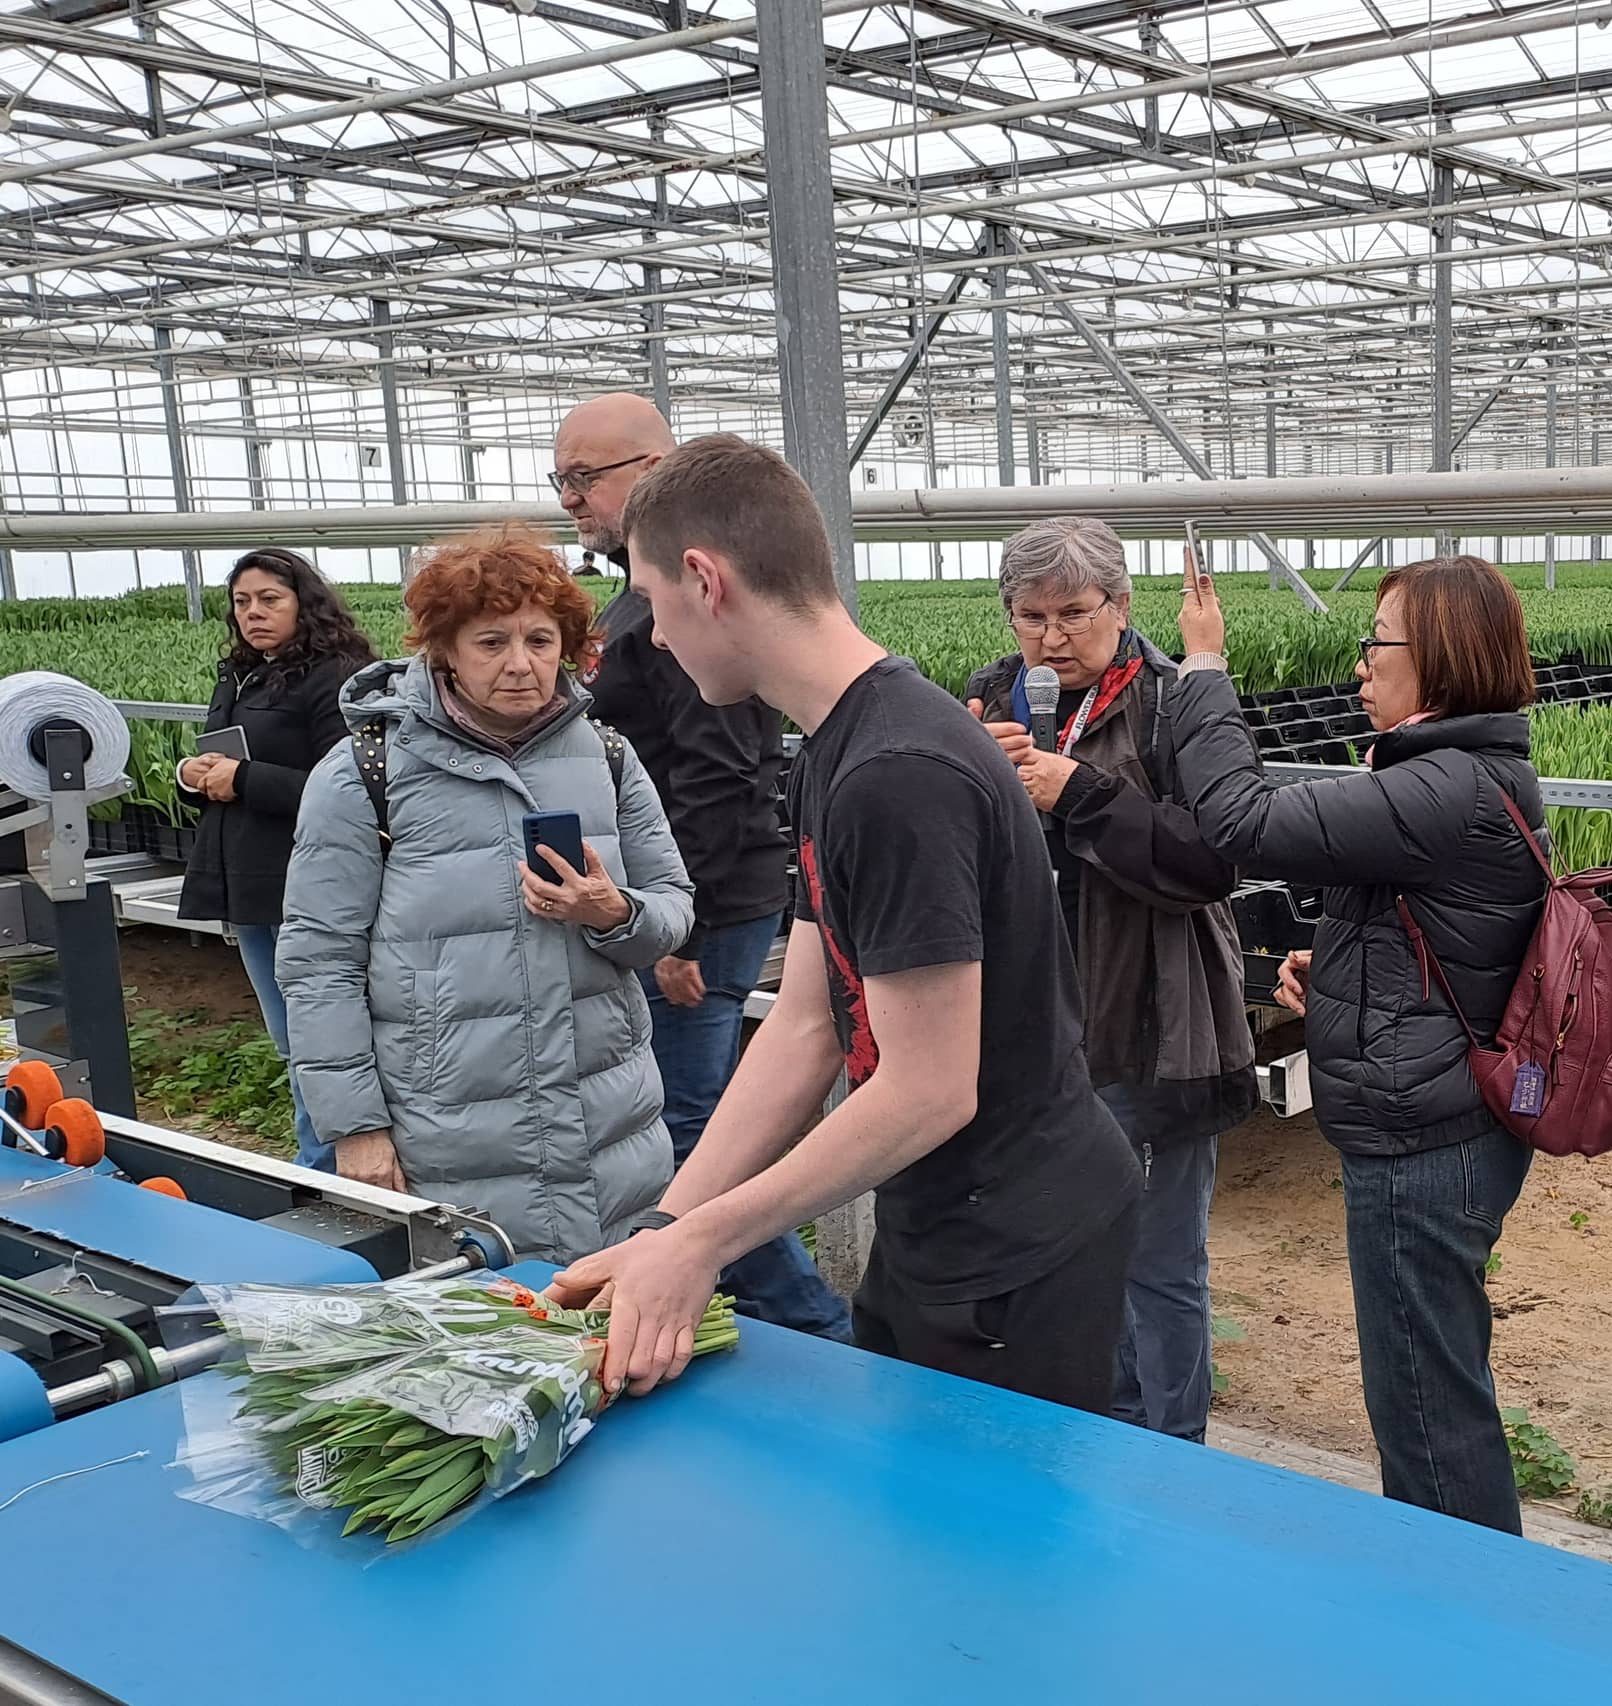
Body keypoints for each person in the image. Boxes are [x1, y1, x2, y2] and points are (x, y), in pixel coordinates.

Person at [545, 435, 1140, 1412]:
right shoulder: (837, 744)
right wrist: (663, 1226)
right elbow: (809, 1020)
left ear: (706, 579)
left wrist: (702, 1243)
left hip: (1016, 1241)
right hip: (940, 1212)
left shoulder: (898, 774)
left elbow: (927, 1088)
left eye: (651, 603)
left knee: (992, 1551)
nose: (649, 637)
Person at [1165, 553, 1546, 1533]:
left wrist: (1203, 669)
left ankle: (1470, 1620)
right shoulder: (1449, 775)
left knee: (1426, 1407)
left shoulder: (1444, 785)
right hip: (1440, 1121)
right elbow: (1425, 933)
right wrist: (1330, 969)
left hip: (1426, 1142)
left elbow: (1236, 819)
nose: (1361, 662)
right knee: (1428, 1390)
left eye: (1379, 640)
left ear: (1443, 660)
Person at [278, 529, 694, 1264]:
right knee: (483, 1344)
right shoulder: (364, 774)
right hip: (452, 1130)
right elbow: (319, 963)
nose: (520, 665)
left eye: (540, 640)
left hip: (608, 1127)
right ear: (443, 649)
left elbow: (672, 905)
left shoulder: (607, 757)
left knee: (611, 1331)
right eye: (491, 642)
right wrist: (356, 1128)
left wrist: (614, 912)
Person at [554, 392, 849, 1345]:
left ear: (650, 470)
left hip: (703, 910)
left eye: (581, 477)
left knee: (688, 1132)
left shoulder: (681, 612)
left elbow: (721, 782)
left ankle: (801, 1322)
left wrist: (682, 929)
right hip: (681, 906)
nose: (568, 500)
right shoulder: (638, 604)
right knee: (696, 1120)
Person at [962, 518, 1256, 1443]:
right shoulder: (990, 699)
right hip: (1034, 1023)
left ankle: (1172, 1446)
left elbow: (1211, 861)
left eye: (1073, 613)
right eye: (1030, 615)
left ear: (1122, 607)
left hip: (1152, 1018)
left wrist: (1074, 792)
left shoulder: (1171, 703)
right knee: (1062, 1247)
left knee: (1161, 1259)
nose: (1051, 636)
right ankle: (1100, 1424)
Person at [175, 548, 377, 1174]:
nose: (253, 614)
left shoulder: (337, 676)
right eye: (242, 602)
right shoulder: (240, 674)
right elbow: (220, 761)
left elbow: (352, 787)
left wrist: (246, 780)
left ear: (303, 602)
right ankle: (316, 1160)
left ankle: (331, 1169)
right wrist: (190, 774)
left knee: (324, 1034)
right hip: (252, 883)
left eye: (270, 600)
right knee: (293, 1040)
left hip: (311, 883)